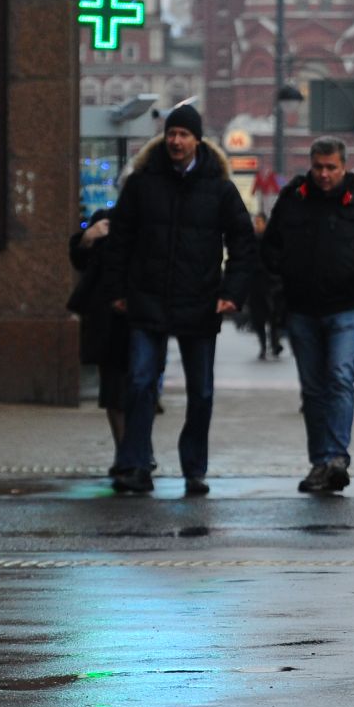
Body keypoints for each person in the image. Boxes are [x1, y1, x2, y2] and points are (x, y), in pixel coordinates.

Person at [101, 104, 255, 496]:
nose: (176, 141)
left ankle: (194, 469)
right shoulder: (141, 183)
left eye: (184, 135)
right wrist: (117, 291)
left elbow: (243, 242)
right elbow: (119, 241)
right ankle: (135, 464)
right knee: (139, 384)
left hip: (200, 301)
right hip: (146, 300)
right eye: (171, 134)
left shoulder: (219, 187)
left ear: (197, 140)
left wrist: (232, 293)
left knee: (200, 391)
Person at [261, 135, 354, 495]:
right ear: (311, 165)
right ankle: (320, 461)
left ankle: (336, 458)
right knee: (313, 389)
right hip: (302, 308)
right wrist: (283, 274)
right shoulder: (293, 200)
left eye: (331, 168)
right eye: (318, 167)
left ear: (343, 166)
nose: (324, 174)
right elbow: (270, 246)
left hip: (345, 308)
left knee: (339, 378)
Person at [68, 208, 130, 469]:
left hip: (145, 316)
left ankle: (137, 450)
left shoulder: (158, 216)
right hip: (110, 320)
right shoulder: (107, 218)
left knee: (140, 390)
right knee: (114, 391)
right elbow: (81, 262)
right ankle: (125, 453)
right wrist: (87, 238)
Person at [242, 213, 286, 360]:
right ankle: (263, 346)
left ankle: (274, 343)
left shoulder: (273, 240)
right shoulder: (251, 241)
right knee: (258, 319)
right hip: (256, 286)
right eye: (256, 222)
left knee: (274, 317)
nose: (257, 225)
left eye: (260, 222)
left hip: (272, 285)